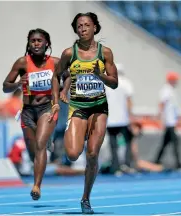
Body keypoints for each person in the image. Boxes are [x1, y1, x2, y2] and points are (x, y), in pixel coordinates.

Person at [50, 12, 118, 214]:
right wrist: (58, 97)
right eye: (79, 26)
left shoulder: (105, 52)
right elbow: (57, 76)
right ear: (76, 30)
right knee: (72, 155)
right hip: (78, 108)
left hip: (99, 107)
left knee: (93, 153)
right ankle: (72, 133)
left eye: (87, 25)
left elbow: (114, 83)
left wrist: (100, 75)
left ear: (95, 27)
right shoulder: (69, 54)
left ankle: (86, 197)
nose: (83, 29)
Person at [2, 28, 70, 200]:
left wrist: (64, 91)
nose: (36, 44)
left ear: (46, 43)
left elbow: (68, 76)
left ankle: (36, 186)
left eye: (39, 41)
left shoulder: (55, 62)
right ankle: (46, 142)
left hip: (47, 108)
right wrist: (18, 84)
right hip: (27, 111)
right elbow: (5, 86)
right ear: (29, 44)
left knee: (40, 146)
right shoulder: (22, 63)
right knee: (33, 152)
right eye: (33, 41)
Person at [106, 63, 134, 175]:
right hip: (123, 119)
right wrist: (131, 116)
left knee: (113, 144)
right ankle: (126, 164)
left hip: (110, 119)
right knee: (128, 141)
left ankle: (116, 166)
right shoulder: (126, 83)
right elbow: (129, 102)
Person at [154, 72, 181, 169]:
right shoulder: (166, 90)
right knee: (175, 143)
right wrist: (160, 119)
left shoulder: (171, 90)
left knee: (165, 143)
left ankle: (156, 160)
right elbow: (162, 104)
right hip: (169, 122)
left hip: (172, 122)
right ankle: (179, 164)